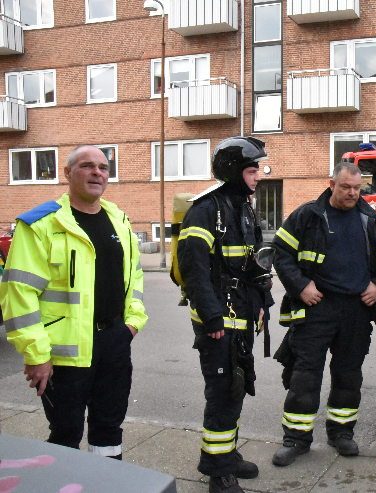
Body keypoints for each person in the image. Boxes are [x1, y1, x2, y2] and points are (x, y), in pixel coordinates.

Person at [0, 145, 147, 460]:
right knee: (66, 432)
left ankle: (106, 483)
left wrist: (132, 324)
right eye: (87, 165)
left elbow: (133, 278)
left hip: (114, 343)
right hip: (63, 355)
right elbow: (18, 294)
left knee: (109, 429)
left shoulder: (118, 219)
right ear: (67, 173)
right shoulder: (40, 224)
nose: (97, 172)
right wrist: (37, 354)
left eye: (103, 167)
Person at [271, 162, 376, 467]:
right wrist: (301, 286)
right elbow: (281, 252)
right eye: (346, 187)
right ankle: (296, 439)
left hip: (356, 310)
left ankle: (341, 433)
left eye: (358, 188)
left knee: (348, 374)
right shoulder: (308, 216)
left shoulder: (370, 218)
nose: (353, 193)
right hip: (317, 307)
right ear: (332, 184)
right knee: (305, 375)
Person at [177, 136, 273, 493]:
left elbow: (255, 262)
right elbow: (194, 269)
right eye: (253, 170)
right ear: (234, 172)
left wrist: (264, 300)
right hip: (219, 323)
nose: (258, 176)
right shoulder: (205, 210)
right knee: (222, 393)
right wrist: (213, 319)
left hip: (243, 316)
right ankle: (218, 473)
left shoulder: (243, 208)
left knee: (235, 387)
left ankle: (226, 455)